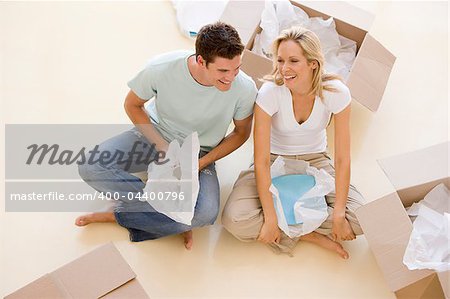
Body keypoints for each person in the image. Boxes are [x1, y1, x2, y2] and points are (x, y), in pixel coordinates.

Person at [75, 22, 257, 250]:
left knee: (204, 214)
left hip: (200, 151)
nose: (231, 78)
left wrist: (202, 163)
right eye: (223, 71)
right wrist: (160, 146)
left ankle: (121, 215)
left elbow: (241, 133)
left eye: (237, 68)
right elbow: (132, 104)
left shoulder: (245, 88)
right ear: (201, 60)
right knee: (91, 165)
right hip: (155, 135)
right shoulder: (162, 68)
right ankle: (174, 217)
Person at [222, 26, 364, 259]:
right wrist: (269, 217)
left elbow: (342, 158)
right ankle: (307, 233)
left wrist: (339, 214)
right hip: (275, 160)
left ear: (313, 63)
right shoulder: (270, 93)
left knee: (359, 219)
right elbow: (261, 160)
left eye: (293, 61)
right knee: (234, 220)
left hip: (316, 159)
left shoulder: (337, 92)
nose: (284, 69)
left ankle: (287, 227)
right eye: (280, 60)